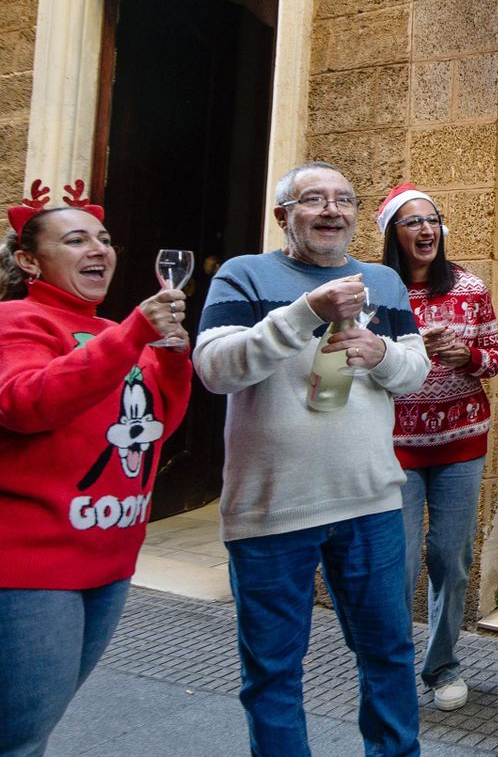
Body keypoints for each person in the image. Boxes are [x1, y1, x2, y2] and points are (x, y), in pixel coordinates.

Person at [193, 162, 431, 757]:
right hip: (271, 508)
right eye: (313, 199)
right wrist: (306, 313)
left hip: (371, 501)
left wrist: (378, 353)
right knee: (273, 672)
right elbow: (216, 370)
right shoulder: (243, 275)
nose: (332, 209)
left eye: (344, 199)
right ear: (283, 217)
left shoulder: (384, 281)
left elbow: (414, 373)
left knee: (389, 653)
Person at [0, 189, 191, 757]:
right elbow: (25, 403)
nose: (98, 250)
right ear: (30, 261)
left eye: (103, 239)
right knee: (20, 738)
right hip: (33, 567)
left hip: (109, 558)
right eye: (76, 239)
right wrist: (132, 333)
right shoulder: (16, 319)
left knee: (34, 724)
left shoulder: (114, 329)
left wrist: (173, 359)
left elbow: (156, 425)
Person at [376, 183, 498, 712]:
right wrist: (404, 356)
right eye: (412, 222)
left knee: (450, 558)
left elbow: (495, 357)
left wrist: (467, 357)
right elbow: (351, 365)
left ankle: (443, 665)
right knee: (400, 562)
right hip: (395, 448)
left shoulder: (470, 286)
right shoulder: (377, 292)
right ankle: (390, 666)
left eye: (432, 219)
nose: (426, 229)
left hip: (460, 444)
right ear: (393, 234)